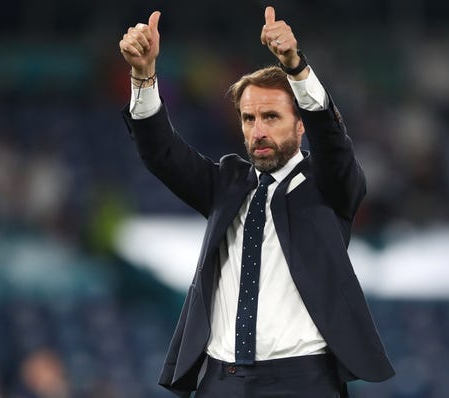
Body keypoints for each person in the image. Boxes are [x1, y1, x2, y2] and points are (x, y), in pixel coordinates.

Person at [119, 6, 394, 397]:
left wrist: (296, 68)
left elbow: (333, 142)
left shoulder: (329, 186)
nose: (258, 130)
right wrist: (143, 76)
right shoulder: (226, 183)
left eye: (271, 117)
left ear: (300, 124)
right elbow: (161, 153)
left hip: (303, 380)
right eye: (249, 119)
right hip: (221, 379)